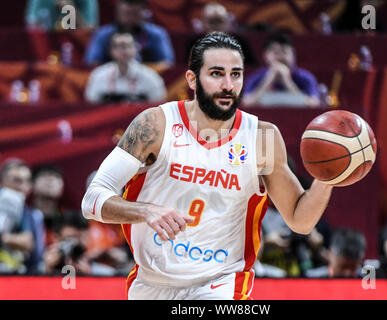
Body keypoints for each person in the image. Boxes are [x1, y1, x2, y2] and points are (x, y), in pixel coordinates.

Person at [81, 32, 334, 300]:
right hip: (151, 282)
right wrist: (146, 211)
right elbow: (93, 199)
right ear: (192, 79)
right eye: (216, 74)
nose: (228, 85)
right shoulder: (155, 125)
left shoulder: (262, 137)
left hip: (220, 284)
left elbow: (300, 220)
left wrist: (328, 176)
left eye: (236, 74)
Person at [84, 0, 174, 72]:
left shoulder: (157, 34)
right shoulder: (102, 34)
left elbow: (167, 64)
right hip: (110, 83)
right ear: (118, 10)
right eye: (127, 13)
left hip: (146, 83)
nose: (130, 18)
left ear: (144, 11)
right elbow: (92, 63)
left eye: (134, 14)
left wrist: (140, 72)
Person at [85, 32, 167, 104]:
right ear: (111, 51)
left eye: (128, 46)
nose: (124, 50)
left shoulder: (150, 76)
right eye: (119, 46)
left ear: (136, 49)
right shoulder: (98, 75)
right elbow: (92, 104)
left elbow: (158, 103)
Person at [242, 32, 320, 108]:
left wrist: (287, 82)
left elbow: (313, 104)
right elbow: (247, 103)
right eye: (275, 52)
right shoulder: (256, 77)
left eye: (284, 51)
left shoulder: (305, 77)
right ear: (265, 55)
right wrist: (268, 80)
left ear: (293, 54)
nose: (280, 56)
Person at [0, 159, 45, 274]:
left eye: (26, 181)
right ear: (2, 182)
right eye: (17, 180)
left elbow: (27, 242)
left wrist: (4, 238)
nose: (22, 186)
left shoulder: (32, 214)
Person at [186, 2, 258, 67]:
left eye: (219, 21)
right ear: (203, 23)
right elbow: (188, 68)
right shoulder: (194, 43)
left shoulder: (240, 42)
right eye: (211, 21)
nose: (216, 26)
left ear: (227, 23)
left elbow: (251, 68)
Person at [31, 164, 65, 246]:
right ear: (32, 184)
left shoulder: (68, 219)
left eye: (56, 176)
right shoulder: (23, 216)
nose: (50, 180)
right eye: (43, 175)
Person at [25, 0, 98, 30]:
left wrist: (71, 11)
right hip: (46, 48)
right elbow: (31, 27)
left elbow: (91, 35)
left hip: (78, 51)